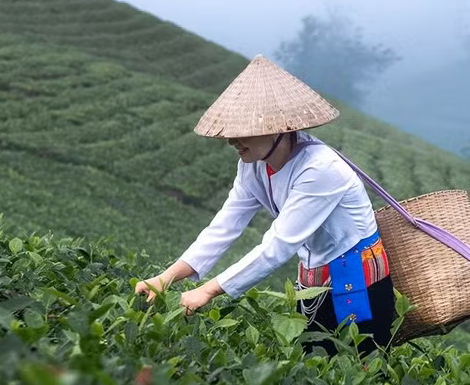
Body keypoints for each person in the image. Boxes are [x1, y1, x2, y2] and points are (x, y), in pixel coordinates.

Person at [134, 55, 395, 350]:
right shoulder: (253, 164)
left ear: (280, 128)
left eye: (245, 131)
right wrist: (165, 278)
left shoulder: (320, 169)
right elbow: (224, 226)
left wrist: (208, 291)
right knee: (312, 373)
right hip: (312, 284)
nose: (233, 140)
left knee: (357, 376)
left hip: (357, 288)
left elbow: (278, 246)